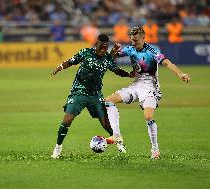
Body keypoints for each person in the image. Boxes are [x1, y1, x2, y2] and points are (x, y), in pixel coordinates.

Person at [105, 26, 191, 159]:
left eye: (136, 40)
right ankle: (117, 135)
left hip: (150, 87)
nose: (134, 43)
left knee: (148, 117)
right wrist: (113, 52)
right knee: (108, 101)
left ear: (143, 37)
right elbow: (109, 58)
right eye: (132, 40)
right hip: (136, 85)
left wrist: (180, 74)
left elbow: (166, 63)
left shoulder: (152, 51)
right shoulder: (130, 49)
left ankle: (155, 149)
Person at [51, 34, 133, 159]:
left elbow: (117, 71)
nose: (102, 50)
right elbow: (71, 61)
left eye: (105, 48)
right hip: (79, 92)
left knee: (106, 124)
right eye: (100, 47)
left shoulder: (107, 59)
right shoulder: (85, 53)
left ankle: (119, 143)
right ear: (96, 44)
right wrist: (60, 67)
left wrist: (129, 75)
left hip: (95, 95)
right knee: (67, 120)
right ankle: (58, 147)